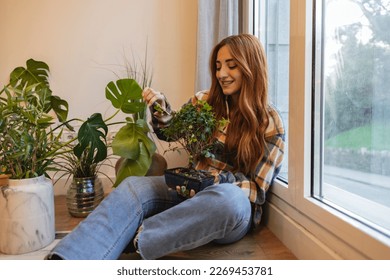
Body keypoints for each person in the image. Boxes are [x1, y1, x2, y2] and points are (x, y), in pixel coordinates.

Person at [46, 34, 285, 260]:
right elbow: (172, 132)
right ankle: (68, 260)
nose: (222, 73)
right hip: (186, 191)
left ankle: (136, 238)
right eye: (218, 66)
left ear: (251, 67)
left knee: (229, 199)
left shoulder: (270, 122)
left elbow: (256, 190)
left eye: (231, 66)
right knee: (133, 186)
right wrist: (160, 109)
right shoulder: (204, 101)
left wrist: (214, 182)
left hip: (228, 210)